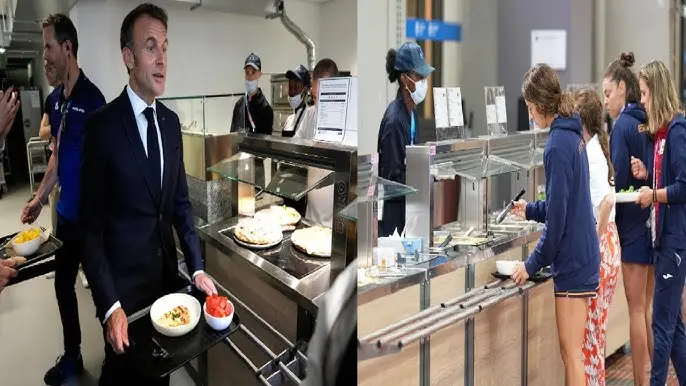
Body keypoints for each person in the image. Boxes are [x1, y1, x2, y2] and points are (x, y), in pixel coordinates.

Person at [79, 5, 217, 385]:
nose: (162, 59)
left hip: (167, 289)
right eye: (150, 46)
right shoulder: (102, 128)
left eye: (166, 47)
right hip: (125, 300)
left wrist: (198, 266)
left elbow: (180, 207)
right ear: (128, 57)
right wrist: (109, 306)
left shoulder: (171, 125)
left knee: (161, 378)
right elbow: (89, 230)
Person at [20, 14, 106, 386]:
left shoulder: (94, 99)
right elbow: (56, 156)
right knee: (62, 286)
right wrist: (40, 198)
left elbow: (107, 166)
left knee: (104, 296)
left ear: (67, 48)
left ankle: (117, 363)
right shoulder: (55, 103)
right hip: (66, 216)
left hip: (94, 222)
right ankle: (73, 356)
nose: (45, 60)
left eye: (48, 49)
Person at [510, 63, 600, 386]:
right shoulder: (569, 134)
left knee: (571, 353)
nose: (530, 116)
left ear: (537, 105)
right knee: (571, 352)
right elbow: (565, 204)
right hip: (582, 256)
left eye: (530, 109)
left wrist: (529, 265)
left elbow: (559, 222)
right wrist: (531, 209)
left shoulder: (558, 145)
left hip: (575, 262)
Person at [630, 59, 686, 386]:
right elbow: (668, 181)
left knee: (661, 327)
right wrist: (647, 176)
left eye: (645, 93)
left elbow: (683, 187)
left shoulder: (678, 132)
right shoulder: (661, 134)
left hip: (675, 242)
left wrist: (653, 194)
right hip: (663, 240)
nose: (643, 100)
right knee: (674, 327)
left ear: (659, 92)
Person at [603, 51, 654, 385]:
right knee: (648, 310)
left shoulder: (621, 125)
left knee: (636, 310)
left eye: (608, 93)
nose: (605, 101)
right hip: (652, 224)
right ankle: (656, 375)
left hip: (632, 226)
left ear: (623, 88)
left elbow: (619, 178)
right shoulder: (650, 119)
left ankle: (642, 380)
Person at [574, 88, 621, 386]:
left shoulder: (590, 155)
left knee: (590, 338)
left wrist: (592, 240)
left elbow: (605, 202)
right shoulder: (596, 150)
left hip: (601, 248)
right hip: (611, 245)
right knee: (596, 335)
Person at [377, 42, 433, 237]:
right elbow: (392, 180)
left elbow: (412, 159)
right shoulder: (394, 120)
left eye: (424, 76)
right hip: (394, 217)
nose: (424, 81)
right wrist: (427, 172)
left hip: (408, 211)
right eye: (419, 76)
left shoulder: (411, 113)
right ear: (404, 78)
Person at [293, 58, 340, 227]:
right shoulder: (310, 114)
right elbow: (295, 146)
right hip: (311, 216)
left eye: (324, 97)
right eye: (315, 97)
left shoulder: (349, 122)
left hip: (335, 222)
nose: (319, 103)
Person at [230, 53, 274, 135]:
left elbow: (265, 143)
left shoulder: (266, 109)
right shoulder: (239, 105)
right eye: (247, 73)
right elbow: (232, 135)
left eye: (253, 72)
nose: (250, 77)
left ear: (259, 74)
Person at [282, 64, 311, 137]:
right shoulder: (289, 119)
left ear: (305, 89)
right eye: (291, 87)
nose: (292, 93)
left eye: (296, 87)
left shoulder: (308, 117)